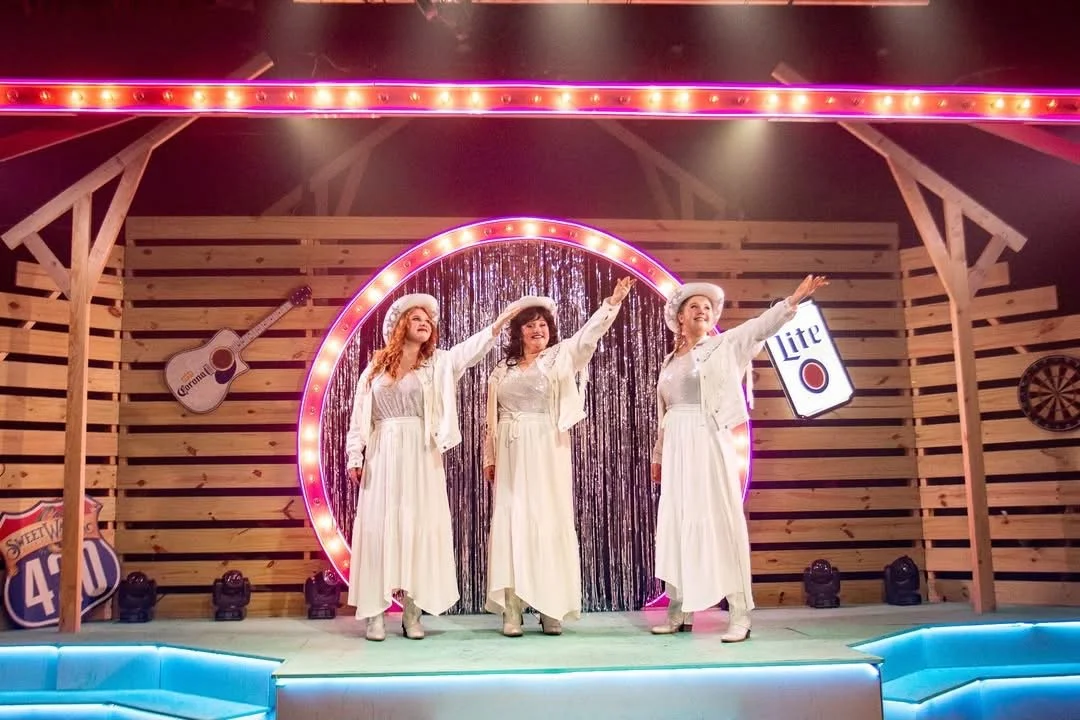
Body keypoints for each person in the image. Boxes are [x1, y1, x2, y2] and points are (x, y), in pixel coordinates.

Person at [650, 274, 828, 642]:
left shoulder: (724, 346)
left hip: (707, 436)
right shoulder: (669, 360)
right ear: (680, 317)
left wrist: (791, 301)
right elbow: (663, 413)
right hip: (676, 443)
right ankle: (679, 609)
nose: (702, 311)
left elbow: (759, 328)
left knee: (719, 520)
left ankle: (740, 613)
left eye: (708, 307)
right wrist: (658, 455)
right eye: (694, 307)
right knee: (678, 522)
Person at [345, 293, 519, 641]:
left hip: (422, 453)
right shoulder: (376, 367)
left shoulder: (439, 363)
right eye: (416, 319)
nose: (425, 324)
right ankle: (375, 613)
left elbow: (469, 352)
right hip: (383, 450)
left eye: (428, 320)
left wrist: (496, 327)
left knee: (419, 526)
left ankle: (412, 612)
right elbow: (360, 415)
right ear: (400, 326)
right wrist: (355, 454)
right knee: (381, 528)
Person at [483, 277, 636, 637]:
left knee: (547, 518)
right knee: (512, 521)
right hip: (510, 447)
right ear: (519, 332)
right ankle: (513, 607)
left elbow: (589, 336)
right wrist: (489, 457)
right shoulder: (501, 369)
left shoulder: (560, 356)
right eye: (530, 325)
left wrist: (611, 303)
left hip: (547, 443)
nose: (538, 330)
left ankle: (551, 606)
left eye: (543, 325)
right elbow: (490, 417)